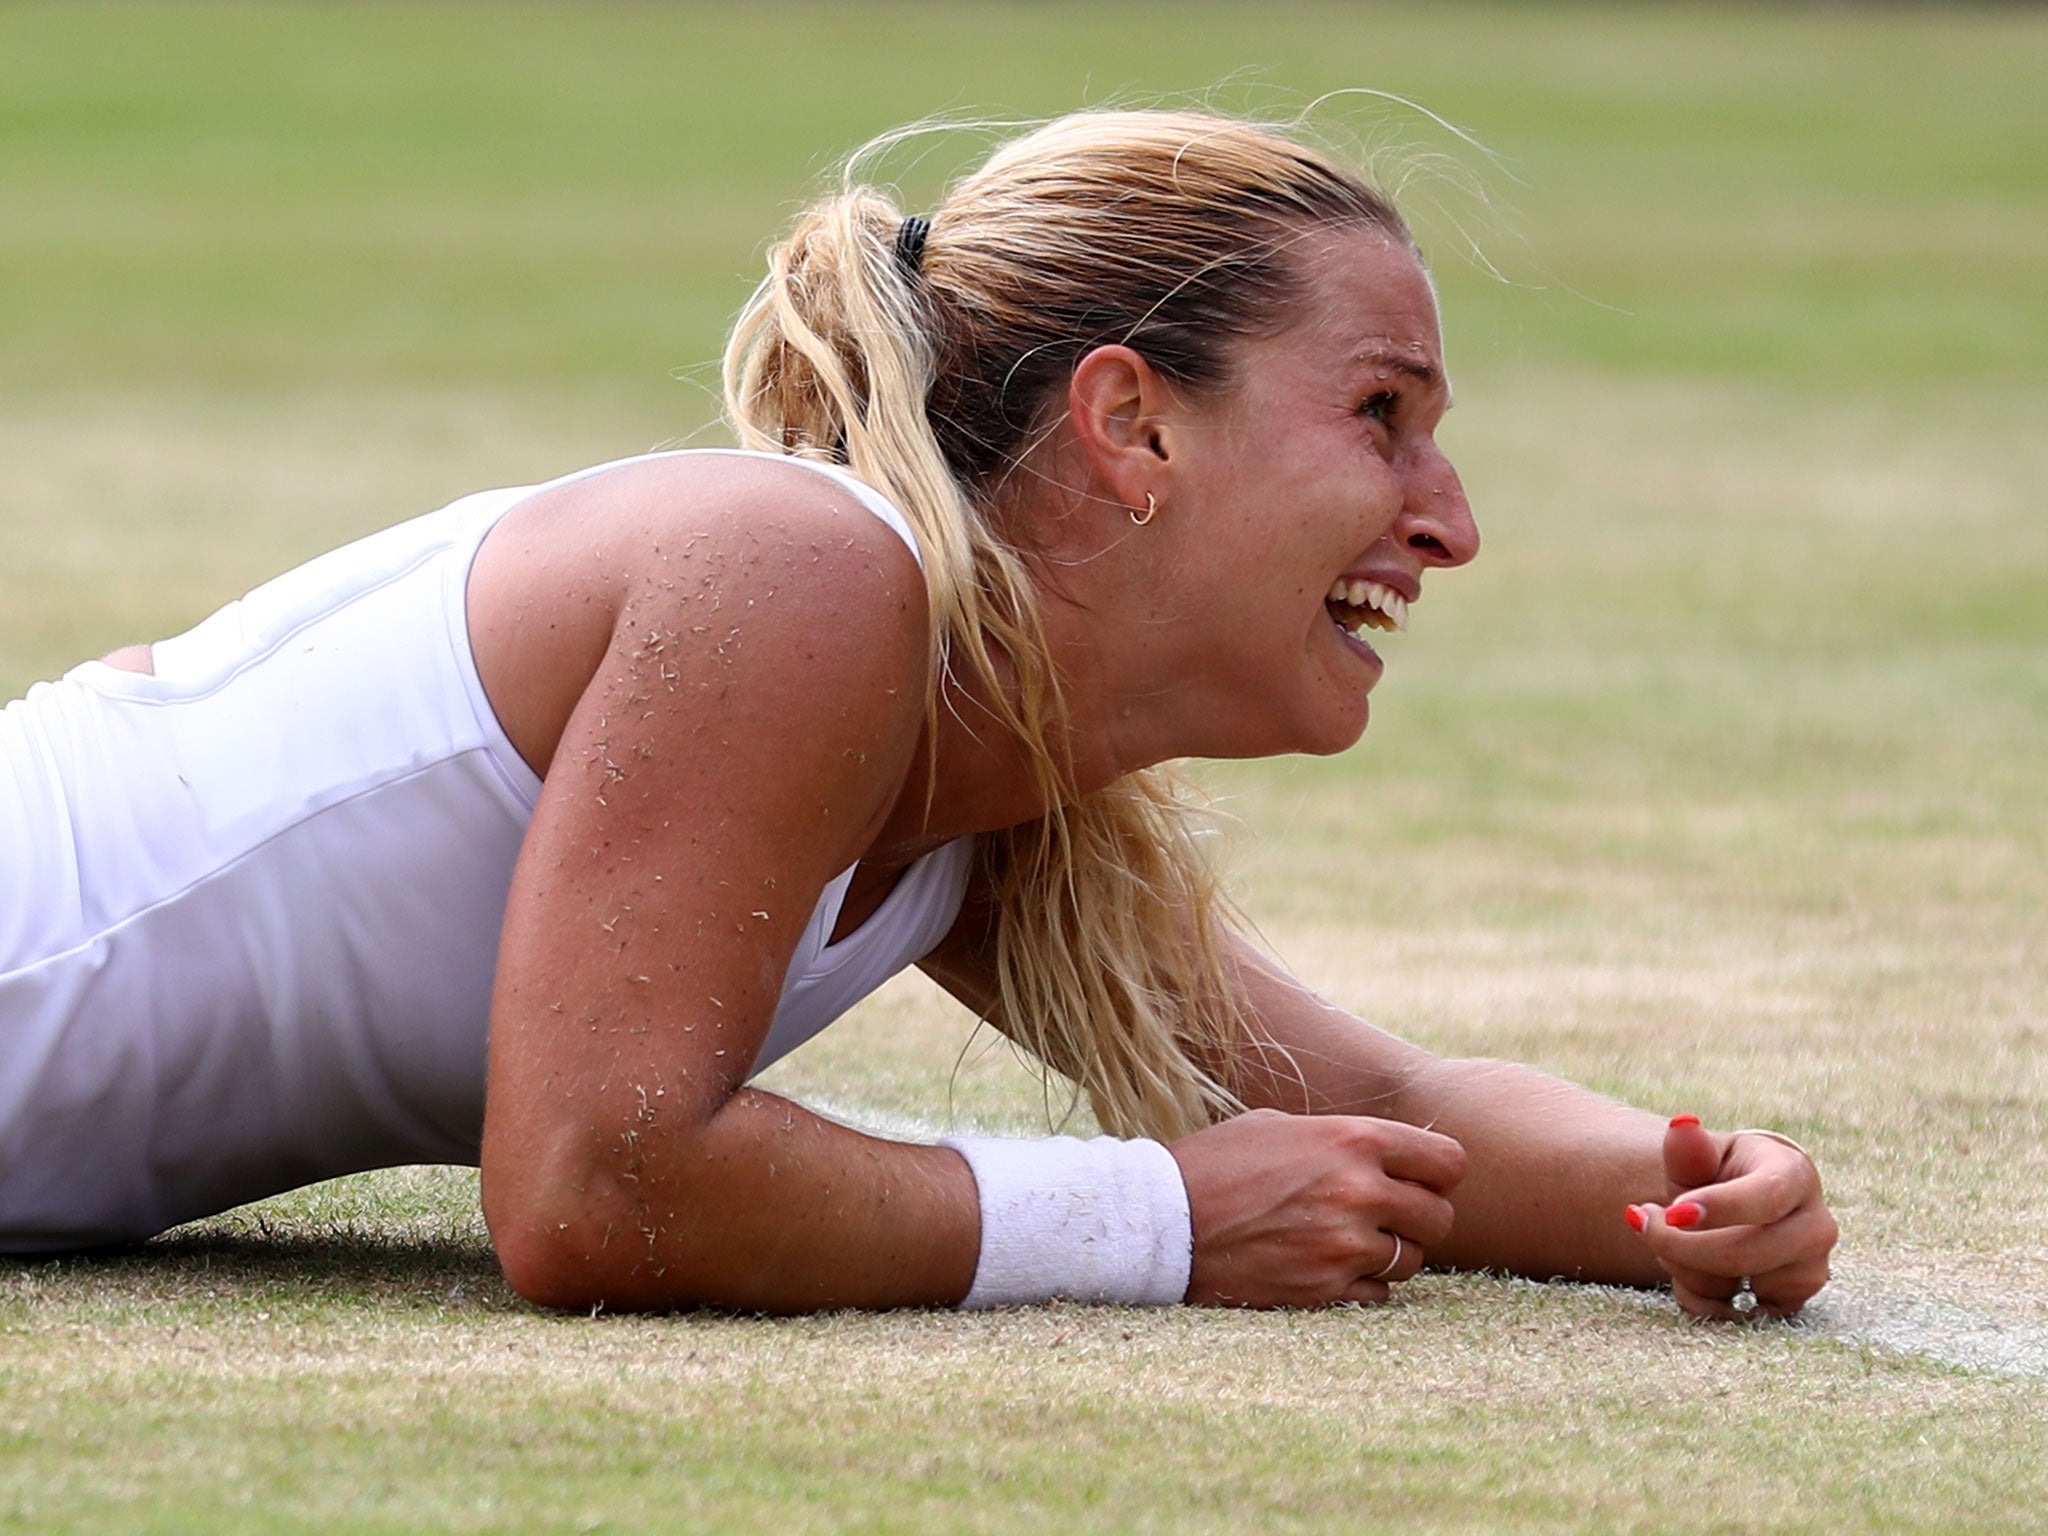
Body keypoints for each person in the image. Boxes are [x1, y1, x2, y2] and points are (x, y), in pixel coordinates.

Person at [0, 108, 1835, 1320]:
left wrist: (1681, 1192)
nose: (1450, 516)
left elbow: (1377, 1105)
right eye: (1381, 414)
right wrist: (1160, 1225)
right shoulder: (801, 575)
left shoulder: (980, 772)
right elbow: (593, 1182)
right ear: (1134, 426)